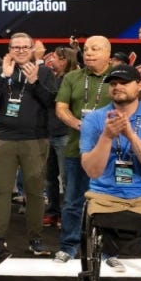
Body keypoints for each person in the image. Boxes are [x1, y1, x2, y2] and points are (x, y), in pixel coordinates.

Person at [0, 32, 57, 255]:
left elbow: (51, 102)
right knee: (2, 190)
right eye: (17, 47)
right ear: (10, 50)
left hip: (35, 140)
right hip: (4, 139)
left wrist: (35, 83)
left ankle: (35, 238)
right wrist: (5, 77)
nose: (21, 50)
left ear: (32, 49)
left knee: (35, 192)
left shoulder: (44, 72)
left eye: (25, 47)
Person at [80, 65, 141, 229]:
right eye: (113, 84)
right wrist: (107, 136)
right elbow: (92, 172)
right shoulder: (93, 120)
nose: (117, 87)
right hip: (105, 197)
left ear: (139, 85)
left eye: (124, 82)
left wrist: (131, 136)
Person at [53, 36, 116, 265]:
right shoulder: (72, 77)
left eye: (95, 49)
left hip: (111, 152)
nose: (88, 53)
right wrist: (80, 125)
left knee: (110, 201)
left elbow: (129, 106)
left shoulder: (118, 79)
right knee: (72, 200)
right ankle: (68, 246)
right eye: (87, 49)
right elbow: (61, 108)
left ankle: (109, 250)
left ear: (108, 54)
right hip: (76, 149)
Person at [43, 47, 79, 228]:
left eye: (55, 58)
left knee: (67, 178)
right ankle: (52, 212)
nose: (51, 61)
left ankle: (68, 214)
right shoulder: (54, 77)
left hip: (65, 134)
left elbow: (55, 100)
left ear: (64, 60)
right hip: (48, 134)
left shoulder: (73, 79)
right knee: (50, 178)